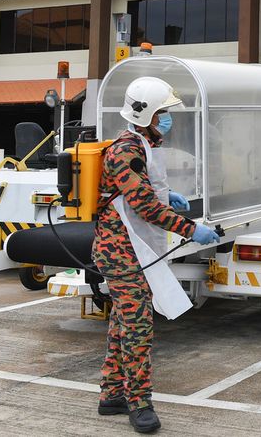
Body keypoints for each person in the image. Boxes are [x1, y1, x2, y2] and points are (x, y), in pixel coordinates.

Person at [92, 76, 220, 433]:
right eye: (163, 112)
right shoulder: (125, 150)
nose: (169, 118)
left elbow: (145, 190)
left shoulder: (143, 146)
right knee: (137, 327)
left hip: (134, 248)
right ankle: (139, 403)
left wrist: (171, 196)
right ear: (146, 114)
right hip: (121, 252)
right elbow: (144, 205)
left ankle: (112, 393)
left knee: (123, 321)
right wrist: (191, 229)